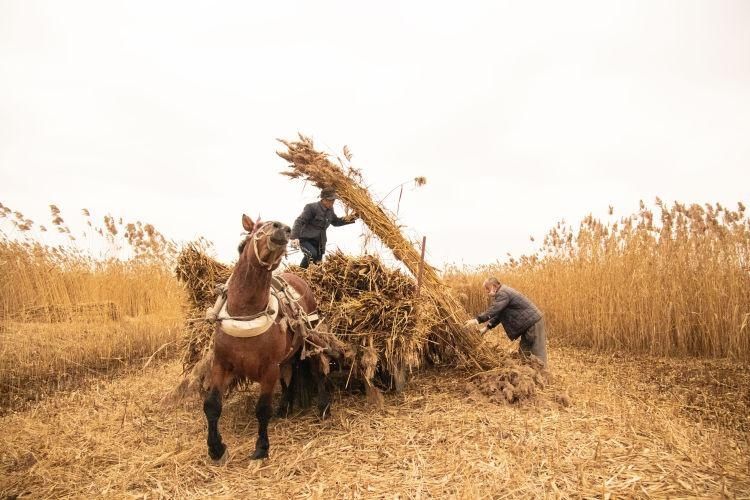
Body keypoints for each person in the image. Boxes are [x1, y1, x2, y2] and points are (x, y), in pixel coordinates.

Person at [464, 277, 548, 366]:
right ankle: (528, 376)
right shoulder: (502, 293)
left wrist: (477, 320)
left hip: (533, 323)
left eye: (487, 288)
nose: (487, 291)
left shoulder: (503, 293)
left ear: (494, 286)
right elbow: (499, 314)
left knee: (538, 353)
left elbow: (494, 310)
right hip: (528, 325)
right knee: (524, 353)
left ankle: (544, 377)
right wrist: (486, 328)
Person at [290, 187, 357, 268]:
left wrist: (353, 217)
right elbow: (299, 221)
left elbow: (336, 222)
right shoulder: (311, 207)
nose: (333, 202)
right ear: (324, 199)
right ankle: (299, 273)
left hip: (320, 243)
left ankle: (305, 276)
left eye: (334, 200)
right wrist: (294, 237)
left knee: (317, 263)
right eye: (331, 200)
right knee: (312, 255)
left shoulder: (330, 210)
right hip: (306, 240)